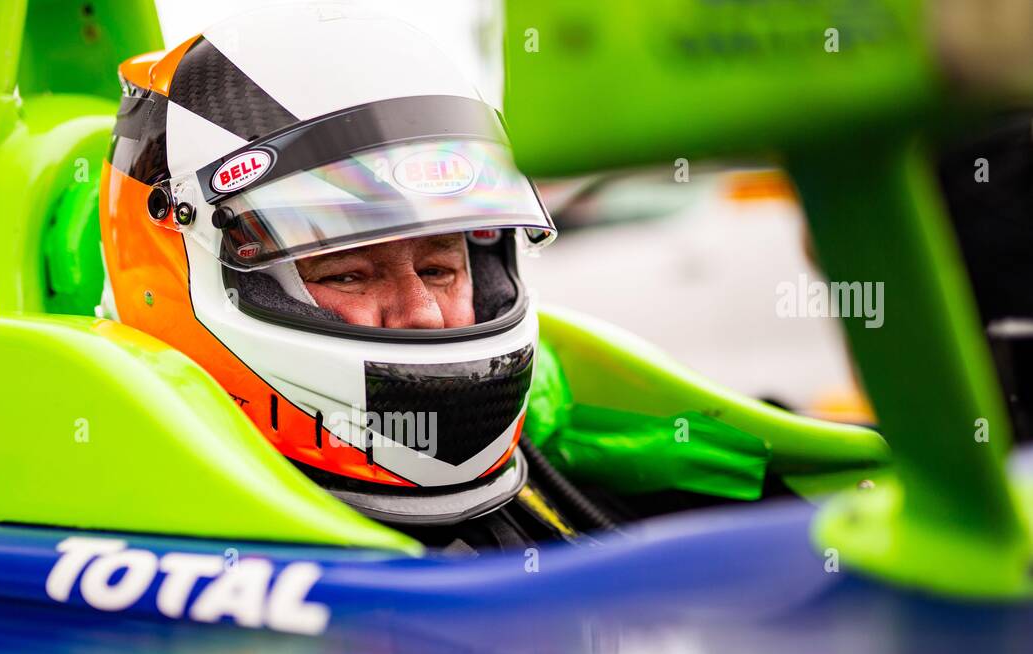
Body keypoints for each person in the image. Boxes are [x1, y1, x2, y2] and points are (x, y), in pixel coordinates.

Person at [99, 4, 770, 550]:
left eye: (440, 266)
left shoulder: (558, 445)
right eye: (350, 273)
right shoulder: (134, 527)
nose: (422, 313)